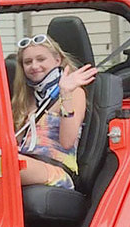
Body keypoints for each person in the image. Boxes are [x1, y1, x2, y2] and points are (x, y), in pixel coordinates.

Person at [11, 34, 97, 189]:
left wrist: (65, 93)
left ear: (57, 60)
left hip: (57, 169)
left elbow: (67, 142)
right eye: (28, 62)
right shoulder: (25, 98)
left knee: (6, 166)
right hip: (26, 162)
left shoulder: (74, 92)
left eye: (41, 59)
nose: (34, 66)